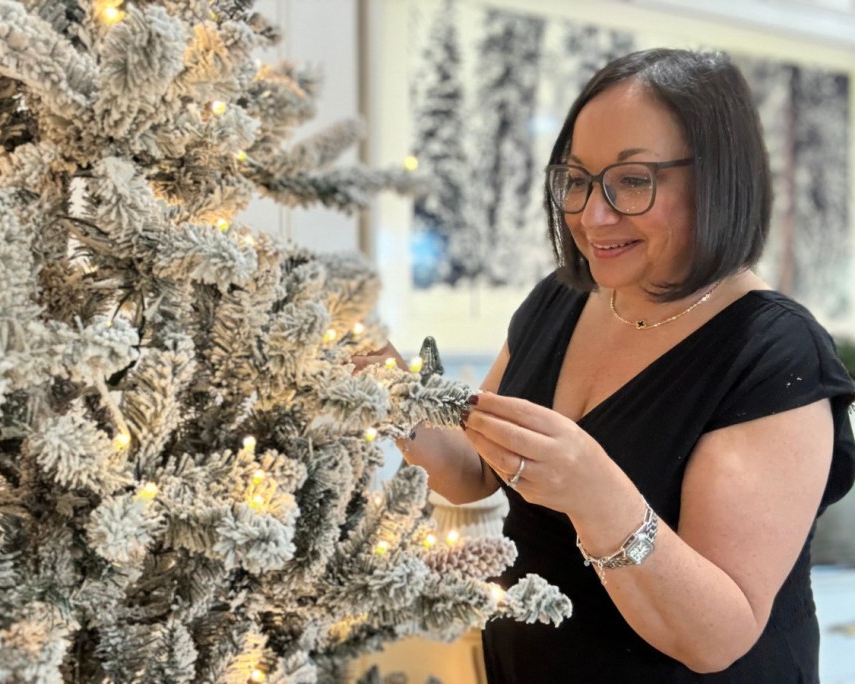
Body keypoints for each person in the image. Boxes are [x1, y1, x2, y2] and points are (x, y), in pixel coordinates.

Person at [355, 48, 855, 682]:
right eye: (577, 179)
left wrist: (599, 496)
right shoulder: (561, 299)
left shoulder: (772, 351)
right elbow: (480, 470)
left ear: (717, 181)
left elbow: (716, 639)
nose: (593, 215)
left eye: (634, 181)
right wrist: (400, 402)